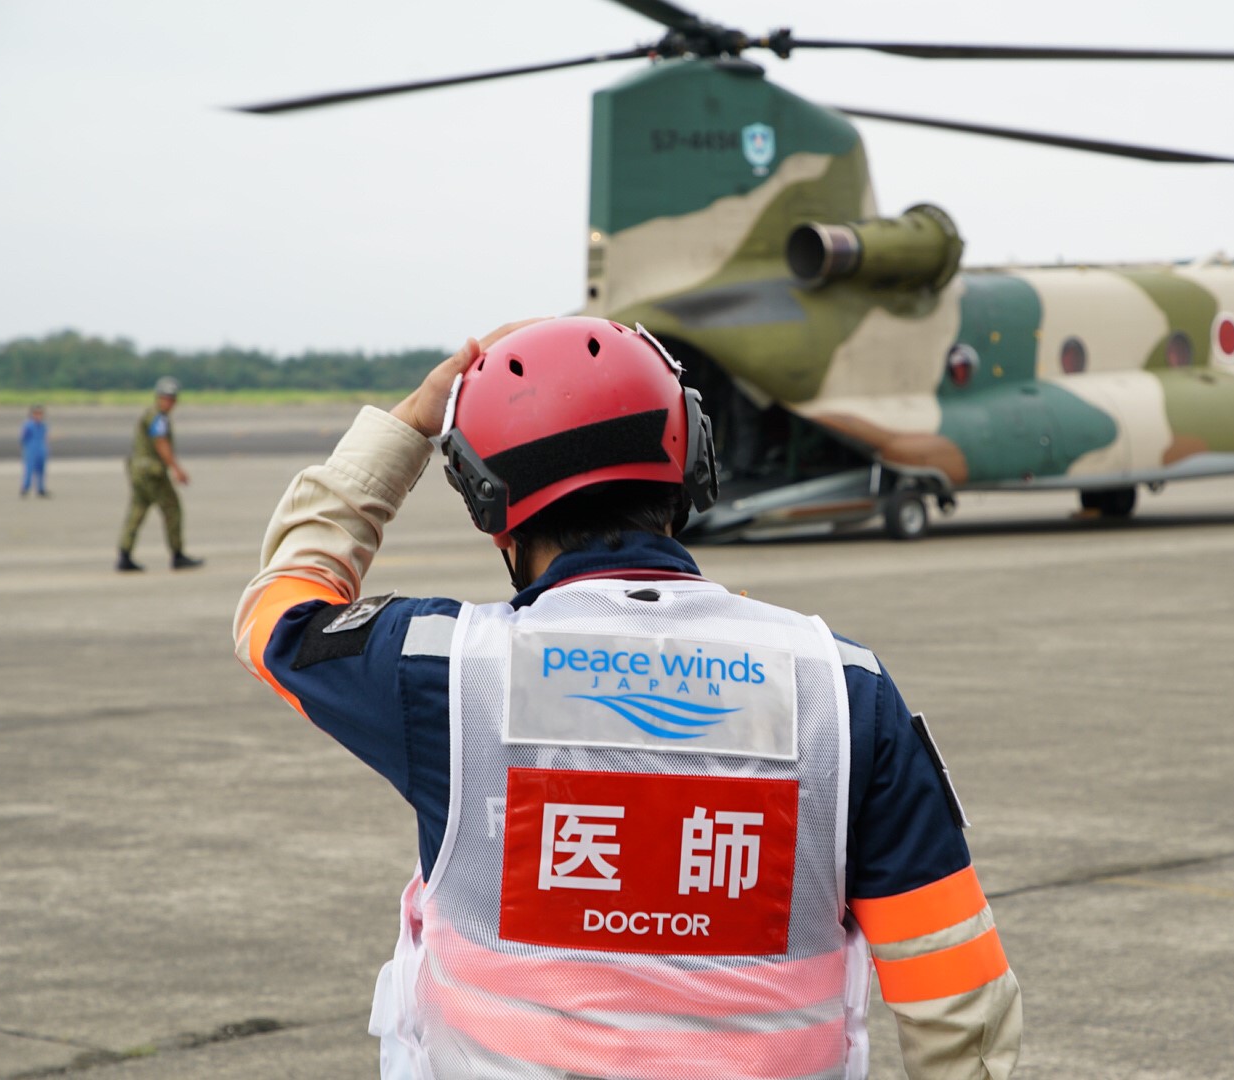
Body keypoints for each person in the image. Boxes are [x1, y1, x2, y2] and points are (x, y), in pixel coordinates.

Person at [233, 317, 1021, 1080]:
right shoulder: (844, 689)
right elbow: (952, 984)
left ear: (489, 505)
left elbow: (279, 611)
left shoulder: (442, 670)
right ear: (692, 466)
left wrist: (408, 425)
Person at [117, 376, 202, 571]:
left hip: (138, 471)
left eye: (173, 398)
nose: (171, 402)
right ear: (160, 398)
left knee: (136, 511)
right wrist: (176, 468)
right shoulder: (159, 418)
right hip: (152, 473)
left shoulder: (151, 414)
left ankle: (124, 553)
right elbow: (161, 443)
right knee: (172, 509)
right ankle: (177, 554)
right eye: (168, 398)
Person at [20, 404, 49, 497]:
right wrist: (28, 448)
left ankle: (40, 489)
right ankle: (25, 488)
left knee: (41, 470)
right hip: (31, 449)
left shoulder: (43, 425)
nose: (38, 416)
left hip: (41, 449)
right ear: (32, 414)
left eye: (40, 414)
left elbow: (44, 437)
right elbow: (23, 438)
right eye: (36, 413)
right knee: (29, 469)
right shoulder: (28, 425)